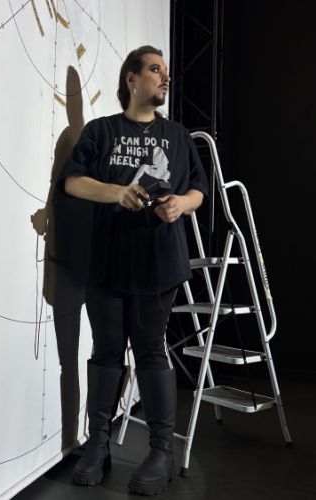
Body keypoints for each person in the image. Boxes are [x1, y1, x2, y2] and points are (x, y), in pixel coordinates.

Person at [57, 45, 208, 495]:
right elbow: (72, 182)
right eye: (155, 70)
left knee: (150, 351)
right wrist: (117, 193)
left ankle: (161, 452)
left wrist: (180, 205)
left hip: (158, 262)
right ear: (132, 79)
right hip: (107, 260)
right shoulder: (101, 131)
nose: (165, 78)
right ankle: (97, 446)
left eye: (166, 72)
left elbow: (198, 189)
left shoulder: (178, 135)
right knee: (106, 352)